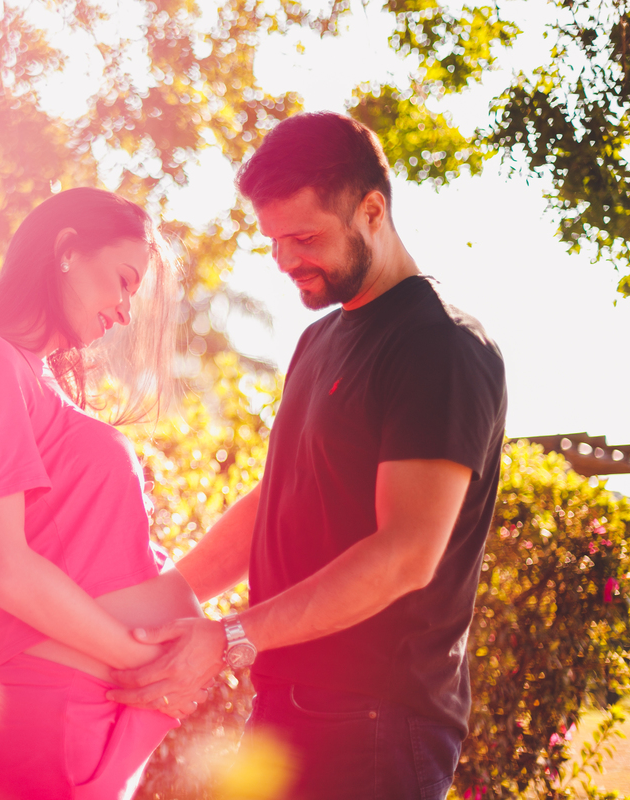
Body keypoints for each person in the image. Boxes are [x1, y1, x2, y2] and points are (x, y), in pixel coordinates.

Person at [106, 112, 508, 800]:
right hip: (287, 706)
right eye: (273, 241)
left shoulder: (437, 346)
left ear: (372, 210)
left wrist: (230, 636)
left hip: (377, 728)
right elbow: (278, 499)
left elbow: (407, 553)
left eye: (304, 237)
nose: (286, 259)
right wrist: (171, 595)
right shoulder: (319, 344)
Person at [0, 187, 207, 800]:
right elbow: (1, 567)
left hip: (86, 723)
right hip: (53, 722)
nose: (126, 311)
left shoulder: (38, 382)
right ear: (67, 251)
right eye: (123, 282)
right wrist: (139, 658)